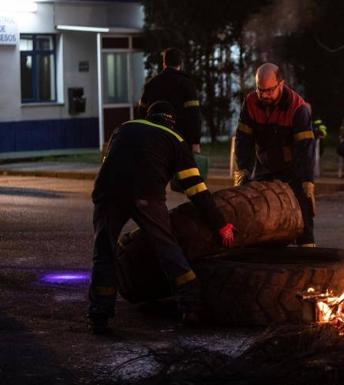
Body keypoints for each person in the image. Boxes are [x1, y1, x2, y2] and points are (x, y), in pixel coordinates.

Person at [88, 101, 236, 334]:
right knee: (167, 248)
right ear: (171, 121)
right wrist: (220, 224)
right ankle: (191, 305)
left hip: (107, 193)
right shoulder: (175, 139)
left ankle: (99, 313)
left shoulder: (124, 128)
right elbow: (196, 189)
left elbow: (108, 162)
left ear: (149, 116)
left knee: (104, 253)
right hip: (145, 195)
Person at [234, 63, 316, 247]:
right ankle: (269, 247)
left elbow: (305, 148)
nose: (264, 95)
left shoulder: (297, 107)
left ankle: (307, 246)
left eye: (269, 91)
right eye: (260, 90)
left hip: (292, 166)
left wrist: (306, 181)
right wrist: (243, 171)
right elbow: (243, 140)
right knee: (258, 206)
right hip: (265, 164)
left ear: (281, 84)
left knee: (302, 205)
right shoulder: (250, 103)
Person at [139, 48, 202, 153]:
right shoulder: (186, 84)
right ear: (180, 64)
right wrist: (195, 142)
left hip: (155, 140)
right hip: (180, 140)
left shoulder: (151, 84)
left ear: (164, 63)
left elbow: (141, 112)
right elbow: (193, 115)